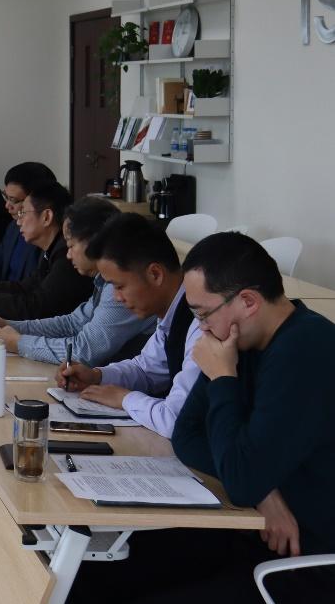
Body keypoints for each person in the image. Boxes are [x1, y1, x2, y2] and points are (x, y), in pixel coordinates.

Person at [70, 233, 335, 603]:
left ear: (248, 301)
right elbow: (187, 434)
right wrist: (265, 492)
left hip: (301, 561)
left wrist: (223, 377)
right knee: (85, 576)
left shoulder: (306, 350)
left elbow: (241, 479)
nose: (201, 328)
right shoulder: (237, 340)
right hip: (247, 528)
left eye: (202, 314)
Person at [54, 213, 200, 437]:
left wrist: (124, 398)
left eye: (119, 286)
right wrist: (97, 376)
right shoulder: (170, 312)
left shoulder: (201, 322)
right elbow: (146, 370)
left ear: (155, 274)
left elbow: (176, 420)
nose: (117, 297)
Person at [0, 197, 155, 365]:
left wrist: (18, 342)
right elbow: (73, 323)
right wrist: (10, 325)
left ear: (94, 242)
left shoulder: (119, 288)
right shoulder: (104, 281)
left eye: (71, 245)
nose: (68, 255)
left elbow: (84, 351)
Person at [0, 181, 93, 321]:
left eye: (23, 213)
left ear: (46, 217)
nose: (18, 221)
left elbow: (37, 307)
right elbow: (24, 288)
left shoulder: (67, 256)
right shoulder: (51, 250)